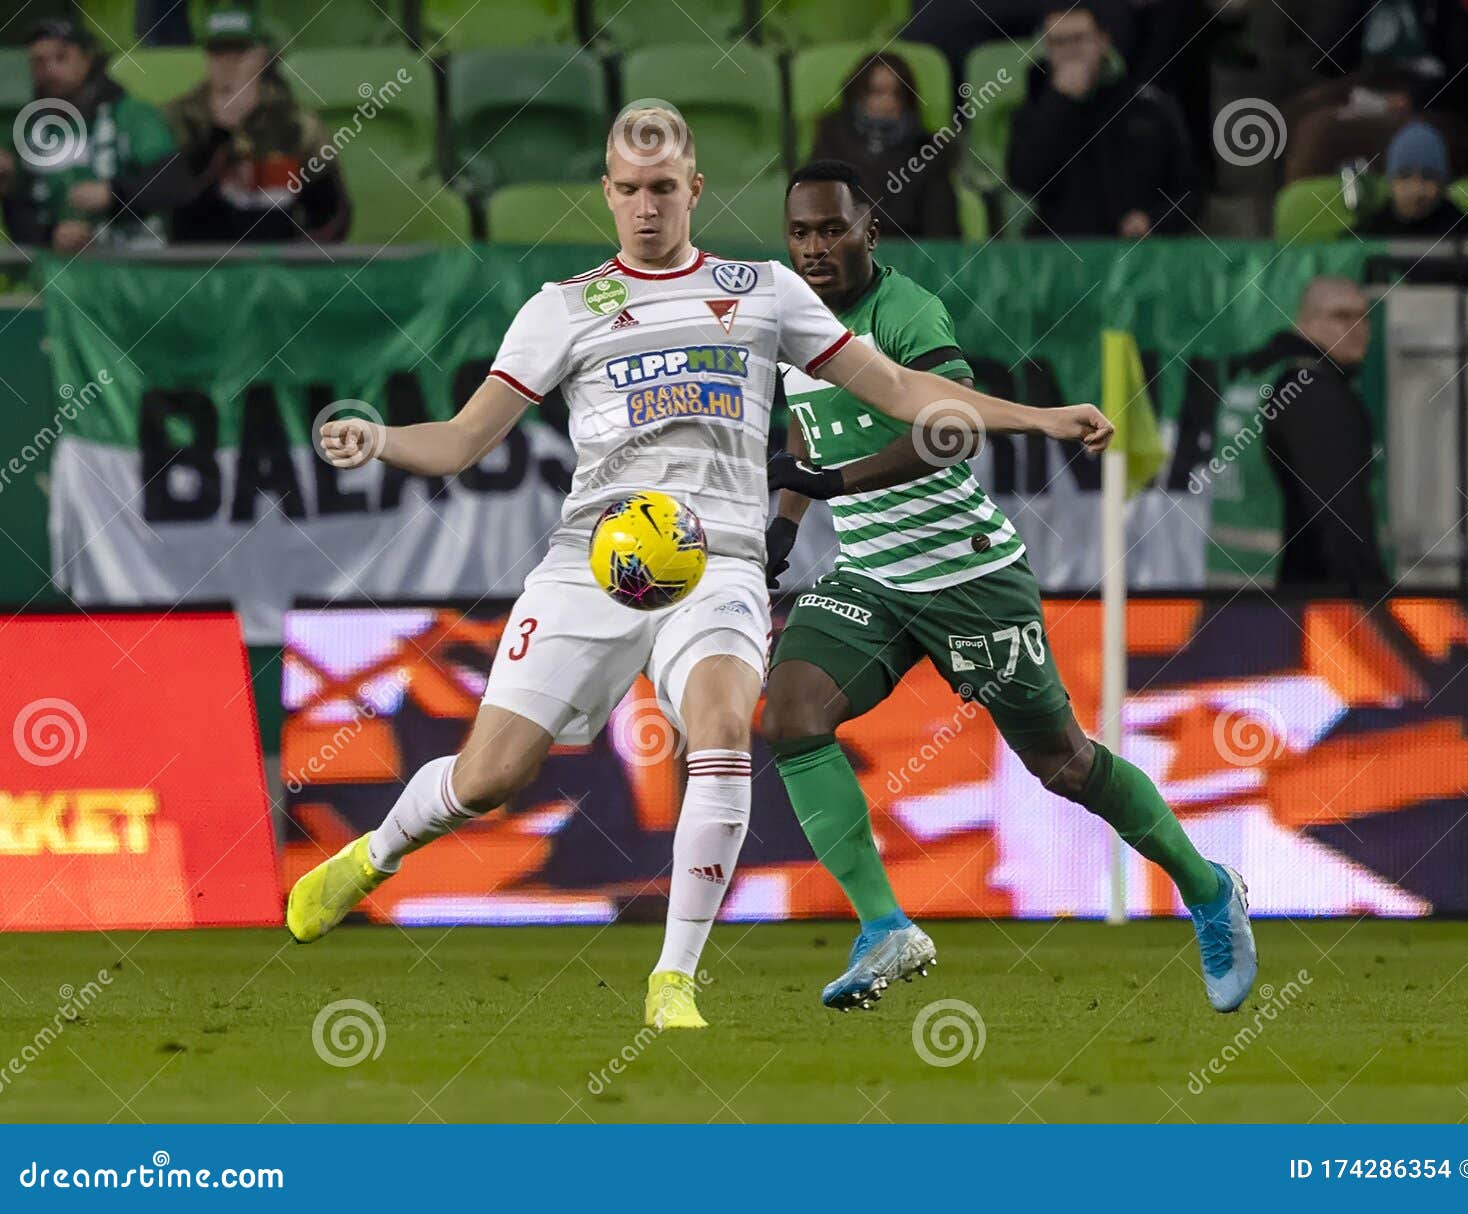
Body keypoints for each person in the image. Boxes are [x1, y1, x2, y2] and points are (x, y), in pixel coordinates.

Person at [286, 107, 1116, 1030]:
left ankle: (672, 980)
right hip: (591, 564)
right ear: (606, 192)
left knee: (722, 728)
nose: (647, 208)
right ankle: (375, 855)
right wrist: (381, 440)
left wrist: (1036, 417)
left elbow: (901, 388)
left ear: (695, 189)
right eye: (630, 191)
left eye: (664, 189)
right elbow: (459, 442)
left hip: (716, 560)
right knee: (489, 780)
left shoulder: (759, 289)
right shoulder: (561, 308)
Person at [761, 160, 1257, 1015]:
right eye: (801, 232)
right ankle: (884, 926)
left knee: (1062, 763)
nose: (815, 247)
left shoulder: (905, 312)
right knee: (791, 716)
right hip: (871, 580)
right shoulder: (790, 328)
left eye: (832, 229)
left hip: (967, 579)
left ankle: (1209, 890)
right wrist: (783, 527)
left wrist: (837, 490)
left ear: (868, 231)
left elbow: (949, 433)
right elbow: (807, 445)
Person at [1007, 1, 1200, 239]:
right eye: (1058, 42)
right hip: (1060, 252)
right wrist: (1060, 104)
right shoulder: (1035, 108)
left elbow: (1191, 192)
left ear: (1103, 42)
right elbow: (1026, 180)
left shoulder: (1148, 107)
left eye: (1079, 39)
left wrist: (1154, 220)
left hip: (1135, 253)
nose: (1070, 52)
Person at [166, 9, 350, 244]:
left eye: (239, 54)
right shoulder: (178, 118)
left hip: (278, 269)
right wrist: (220, 132)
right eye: (218, 53)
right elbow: (172, 205)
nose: (227, 65)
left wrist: (298, 262)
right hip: (200, 267)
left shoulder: (295, 123)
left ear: (261, 58)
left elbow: (334, 214)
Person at [1, 20, 187, 252]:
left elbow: (174, 183)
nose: (49, 70)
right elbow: (22, 224)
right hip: (57, 275)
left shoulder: (131, 113)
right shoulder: (26, 131)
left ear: (87, 59)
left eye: (61, 58)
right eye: (38, 62)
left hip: (136, 271)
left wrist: (113, 194)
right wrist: (51, 236)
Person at [1253, 277, 1389, 591]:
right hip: (1307, 602)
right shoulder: (1314, 392)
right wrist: (1371, 599)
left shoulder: (1282, 377)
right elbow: (1340, 511)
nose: (1357, 328)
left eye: (1363, 317)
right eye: (1341, 316)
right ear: (1307, 322)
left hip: (1248, 597)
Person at [809, 51, 958, 238]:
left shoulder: (927, 151)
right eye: (877, 92)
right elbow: (814, 217)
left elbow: (941, 232)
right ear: (859, 95)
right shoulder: (830, 141)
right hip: (843, 255)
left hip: (908, 257)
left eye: (896, 94)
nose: (887, 103)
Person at [1357, 121, 1468, 287]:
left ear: (1443, 182)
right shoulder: (1365, 236)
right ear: (1390, 180)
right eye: (1404, 176)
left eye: (1428, 177)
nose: (1416, 189)